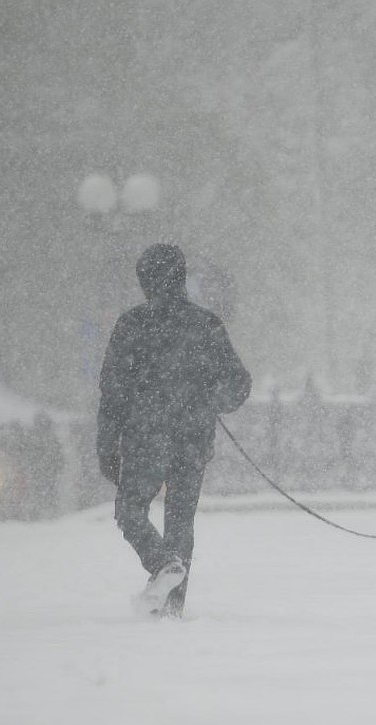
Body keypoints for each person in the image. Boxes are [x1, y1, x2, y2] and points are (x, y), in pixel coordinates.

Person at [97, 244, 251, 616]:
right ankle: (172, 603)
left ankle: (162, 563)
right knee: (180, 518)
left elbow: (112, 390)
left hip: (145, 437)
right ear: (181, 277)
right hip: (193, 439)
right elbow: (239, 382)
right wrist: (214, 398)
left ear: (145, 280)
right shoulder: (206, 324)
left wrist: (107, 443)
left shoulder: (132, 325)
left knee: (130, 510)